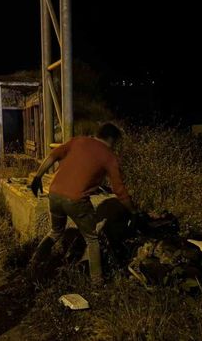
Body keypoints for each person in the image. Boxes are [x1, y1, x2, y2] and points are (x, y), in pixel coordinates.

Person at [29, 122, 137, 284]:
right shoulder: (108, 156)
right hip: (76, 200)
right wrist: (133, 212)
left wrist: (38, 177)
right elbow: (119, 190)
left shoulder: (77, 141)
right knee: (92, 239)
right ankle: (97, 281)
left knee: (55, 231)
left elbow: (52, 156)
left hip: (54, 193)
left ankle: (35, 262)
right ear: (111, 139)